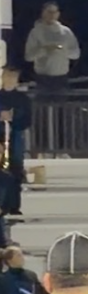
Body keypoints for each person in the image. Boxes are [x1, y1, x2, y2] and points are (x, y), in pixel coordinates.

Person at [23, 1, 80, 94]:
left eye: (54, 12)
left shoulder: (66, 32)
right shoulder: (35, 32)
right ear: (43, 13)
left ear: (58, 14)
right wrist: (45, 50)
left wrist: (62, 50)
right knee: (42, 106)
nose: (52, 15)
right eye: (49, 12)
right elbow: (28, 57)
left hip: (62, 78)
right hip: (42, 79)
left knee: (61, 107)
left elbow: (76, 54)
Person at [0, 65, 29, 215]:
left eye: (13, 77)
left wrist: (13, 118)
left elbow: (27, 121)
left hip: (15, 138)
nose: (10, 79)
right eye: (7, 76)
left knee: (15, 171)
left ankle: (14, 207)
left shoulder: (22, 99)